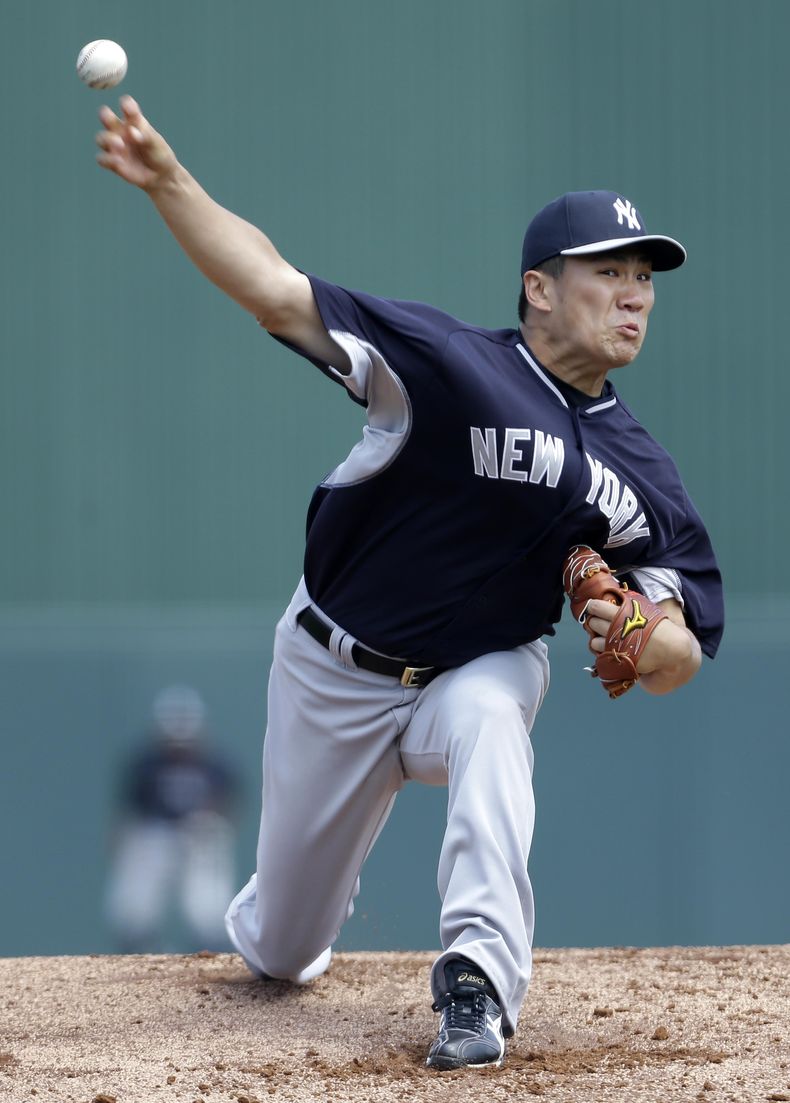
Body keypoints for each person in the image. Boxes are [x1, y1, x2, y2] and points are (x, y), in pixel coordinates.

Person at [95, 96, 723, 1070]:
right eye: (610, 271)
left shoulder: (645, 473)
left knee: (489, 724)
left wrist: (641, 632)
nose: (635, 293)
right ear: (540, 288)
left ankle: (476, 976)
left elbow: (681, 652)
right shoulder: (447, 364)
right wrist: (171, 183)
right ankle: (283, 900)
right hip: (331, 666)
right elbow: (273, 289)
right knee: (282, 949)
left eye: (643, 277)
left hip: (479, 664)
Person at [105, 685, 239, 953]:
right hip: (155, 835)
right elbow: (130, 809)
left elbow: (229, 801)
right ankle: (137, 943)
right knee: (139, 899)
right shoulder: (147, 763)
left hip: (198, 836)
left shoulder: (213, 763)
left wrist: (210, 823)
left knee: (206, 901)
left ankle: (211, 944)